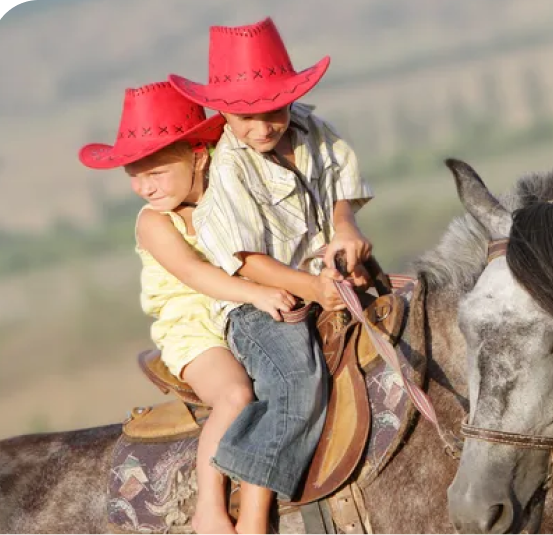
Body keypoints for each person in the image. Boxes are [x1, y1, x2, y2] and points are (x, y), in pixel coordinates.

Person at [167, 16, 375, 535]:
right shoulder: (230, 168)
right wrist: (313, 289)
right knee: (296, 381)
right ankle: (253, 512)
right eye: (247, 117)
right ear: (223, 113)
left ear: (290, 99)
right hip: (259, 302)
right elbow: (246, 260)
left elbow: (341, 192)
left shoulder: (313, 130)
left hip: (324, 281)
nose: (263, 127)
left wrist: (345, 232)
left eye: (273, 111)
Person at [78, 81, 298, 535]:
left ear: (199, 153)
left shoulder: (232, 189)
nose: (142, 187)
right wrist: (257, 292)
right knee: (236, 396)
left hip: (244, 309)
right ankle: (211, 511)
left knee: (292, 380)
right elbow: (197, 277)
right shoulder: (154, 222)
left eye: (155, 172)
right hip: (196, 325)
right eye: (134, 176)